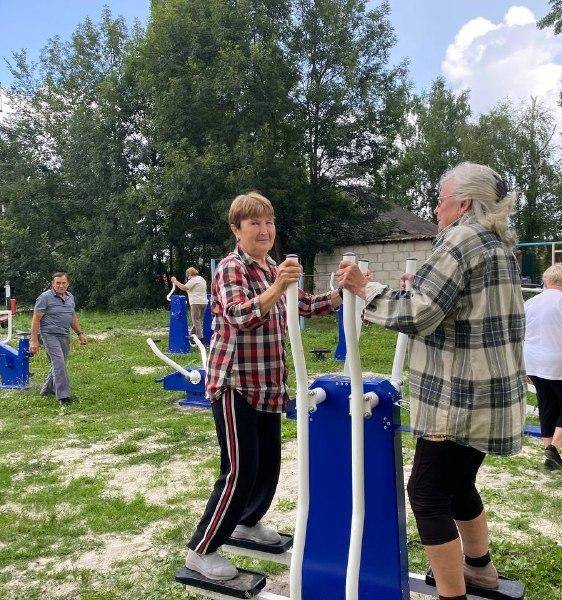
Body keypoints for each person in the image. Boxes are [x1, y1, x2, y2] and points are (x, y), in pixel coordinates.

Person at [338, 162, 526, 600]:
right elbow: (451, 305)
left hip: (458, 398)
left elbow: (418, 314)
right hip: (491, 392)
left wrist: (366, 289)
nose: (435, 208)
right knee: (458, 484)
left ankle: (452, 595)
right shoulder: (496, 242)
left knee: (425, 493)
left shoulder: (460, 239)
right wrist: (412, 286)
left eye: (440, 200)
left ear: (462, 204)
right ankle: (479, 570)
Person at [184, 191, 341, 581]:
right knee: (240, 470)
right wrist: (277, 287)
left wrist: (342, 293)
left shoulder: (272, 267)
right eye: (254, 223)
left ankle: (246, 523)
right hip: (235, 383)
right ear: (237, 230)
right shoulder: (229, 269)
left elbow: (302, 305)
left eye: (268, 222)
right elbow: (240, 315)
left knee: (268, 466)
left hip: (269, 385)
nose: (264, 230)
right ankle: (201, 550)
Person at [523, 264, 562, 471]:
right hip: (558, 363)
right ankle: (554, 448)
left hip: (533, 363)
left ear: (544, 281)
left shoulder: (529, 303)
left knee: (547, 404)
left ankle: (548, 453)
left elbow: (519, 335)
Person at [29, 272, 88, 406]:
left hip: (64, 334)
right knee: (59, 363)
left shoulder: (70, 297)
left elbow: (72, 317)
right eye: (58, 283)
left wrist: (80, 333)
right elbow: (36, 318)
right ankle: (63, 397)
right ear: (53, 284)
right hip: (49, 335)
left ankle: (47, 389)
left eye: (63, 283)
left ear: (68, 284)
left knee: (59, 363)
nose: (61, 286)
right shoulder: (45, 298)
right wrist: (34, 339)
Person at [171, 267, 208, 339]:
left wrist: (175, 281)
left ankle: (200, 337)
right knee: (198, 320)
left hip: (195, 302)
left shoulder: (193, 280)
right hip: (204, 302)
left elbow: (184, 288)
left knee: (196, 320)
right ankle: (192, 335)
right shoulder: (201, 279)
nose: (188, 278)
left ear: (190, 274)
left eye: (187, 276)